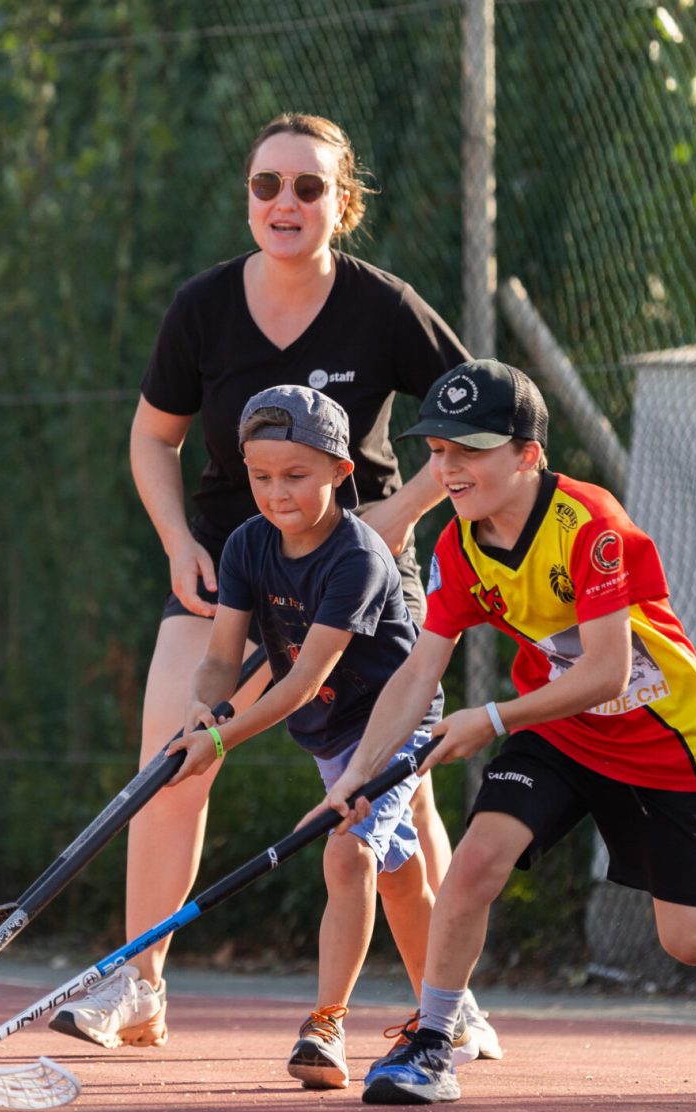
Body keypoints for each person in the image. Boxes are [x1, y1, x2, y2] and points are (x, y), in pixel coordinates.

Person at [49, 111, 471, 1050]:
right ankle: (138, 984)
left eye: (308, 187)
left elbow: (477, 418)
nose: (286, 202)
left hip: (360, 571)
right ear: (247, 198)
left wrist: (394, 519)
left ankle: (447, 1001)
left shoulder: (384, 306)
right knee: (171, 759)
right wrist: (177, 541)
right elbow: (152, 438)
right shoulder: (203, 307)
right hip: (231, 564)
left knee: (397, 794)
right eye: (266, 185)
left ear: (342, 204)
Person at [325, 359, 696, 1106]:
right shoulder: (457, 549)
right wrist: (356, 776)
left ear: (527, 455)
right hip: (559, 730)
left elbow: (605, 672)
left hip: (660, 737)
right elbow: (415, 675)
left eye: (469, 450)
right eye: (436, 451)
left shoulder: (590, 526)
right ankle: (434, 1041)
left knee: (692, 942)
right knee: (475, 860)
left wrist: (489, 719)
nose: (448, 468)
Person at [164, 386, 496, 1088]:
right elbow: (223, 657)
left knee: (347, 856)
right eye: (261, 477)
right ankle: (447, 1012)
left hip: (392, 726)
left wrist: (221, 743)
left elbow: (301, 681)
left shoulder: (359, 557)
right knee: (400, 876)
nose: (277, 493)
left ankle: (325, 1024)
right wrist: (199, 707)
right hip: (328, 734)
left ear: (342, 471)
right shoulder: (247, 544)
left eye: (296, 475)